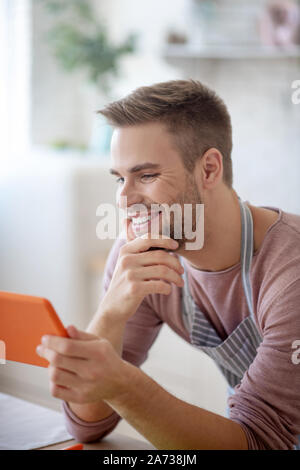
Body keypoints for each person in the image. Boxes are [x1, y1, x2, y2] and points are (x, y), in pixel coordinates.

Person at [36, 80, 300, 450]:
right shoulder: (138, 257)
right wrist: (111, 314)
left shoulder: (290, 273)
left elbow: (259, 442)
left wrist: (124, 385)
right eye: (119, 178)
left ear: (209, 169)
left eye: (146, 176)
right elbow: (87, 426)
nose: (125, 199)